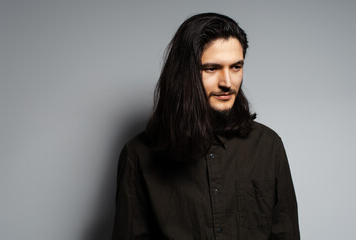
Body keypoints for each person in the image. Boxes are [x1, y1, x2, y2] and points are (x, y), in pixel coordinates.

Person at [112, 12, 300, 240]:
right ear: (185, 73)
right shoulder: (139, 155)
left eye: (236, 67)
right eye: (211, 68)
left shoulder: (268, 146)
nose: (227, 82)